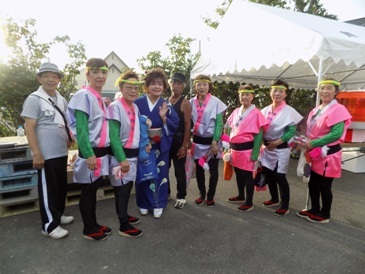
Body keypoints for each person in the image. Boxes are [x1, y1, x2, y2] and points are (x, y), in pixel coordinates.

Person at [67, 58, 125, 240]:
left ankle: (94, 223)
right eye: (95, 72)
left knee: (93, 188)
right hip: (91, 152)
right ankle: (88, 228)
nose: (100, 76)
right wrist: (89, 154)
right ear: (88, 74)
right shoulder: (83, 96)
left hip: (100, 152)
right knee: (88, 190)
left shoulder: (96, 96)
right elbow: (82, 129)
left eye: (103, 72)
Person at [21, 62, 74, 239]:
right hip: (45, 153)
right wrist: (36, 153)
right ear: (39, 78)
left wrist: (69, 137)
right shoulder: (34, 99)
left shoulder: (61, 99)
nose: (51, 79)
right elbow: (29, 128)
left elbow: (66, 121)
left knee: (60, 187)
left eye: (54, 76)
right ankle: (49, 226)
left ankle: (57, 215)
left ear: (58, 79)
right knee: (48, 188)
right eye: (46, 76)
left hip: (61, 151)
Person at [297, 78, 351, 223]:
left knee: (325, 185)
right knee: (313, 182)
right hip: (315, 152)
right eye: (322, 88)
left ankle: (325, 213)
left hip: (328, 153)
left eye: (328, 88)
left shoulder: (339, 109)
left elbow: (336, 133)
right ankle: (314, 209)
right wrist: (304, 139)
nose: (324, 91)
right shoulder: (316, 109)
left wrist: (313, 142)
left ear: (336, 92)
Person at [134, 68, 179, 218]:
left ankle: (158, 203)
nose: (157, 86)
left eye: (160, 83)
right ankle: (143, 203)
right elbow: (131, 123)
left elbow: (175, 123)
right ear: (147, 85)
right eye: (153, 83)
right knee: (143, 173)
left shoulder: (166, 104)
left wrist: (164, 118)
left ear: (164, 86)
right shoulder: (138, 103)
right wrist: (143, 139)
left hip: (160, 145)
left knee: (160, 173)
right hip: (143, 145)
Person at [107, 70, 145, 237]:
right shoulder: (115, 107)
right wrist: (122, 159)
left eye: (136, 88)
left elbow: (136, 130)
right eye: (128, 87)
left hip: (133, 155)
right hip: (120, 156)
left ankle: (125, 215)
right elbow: (113, 136)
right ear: (121, 88)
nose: (133, 91)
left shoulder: (135, 106)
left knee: (126, 189)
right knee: (121, 191)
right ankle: (123, 225)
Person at [260, 79, 303, 216]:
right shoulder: (265, 110)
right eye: (274, 90)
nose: (277, 93)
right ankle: (274, 198)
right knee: (269, 174)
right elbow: (259, 128)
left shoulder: (289, 111)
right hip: (267, 147)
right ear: (270, 92)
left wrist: (276, 143)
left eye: (280, 91)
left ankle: (285, 204)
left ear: (285, 94)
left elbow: (291, 131)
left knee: (280, 176)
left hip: (280, 148)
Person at [224, 85, 267, 212]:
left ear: (252, 96)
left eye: (247, 94)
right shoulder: (236, 111)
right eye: (242, 94)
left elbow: (259, 135)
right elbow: (228, 128)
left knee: (247, 176)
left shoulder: (257, 113)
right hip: (234, 149)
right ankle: (241, 195)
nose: (244, 97)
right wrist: (227, 147)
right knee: (238, 174)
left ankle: (249, 202)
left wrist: (255, 153)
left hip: (247, 150)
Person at [190, 74, 227, 207]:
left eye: (204, 84)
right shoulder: (191, 102)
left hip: (212, 141)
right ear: (195, 87)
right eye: (199, 84)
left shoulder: (216, 102)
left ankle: (210, 196)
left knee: (213, 170)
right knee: (199, 170)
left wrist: (215, 141)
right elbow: (188, 122)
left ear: (209, 86)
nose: (202, 87)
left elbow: (219, 123)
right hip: (198, 141)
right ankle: (202, 194)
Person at [167, 72, 191, 209]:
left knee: (179, 170)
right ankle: (166, 192)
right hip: (166, 140)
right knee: (164, 168)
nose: (175, 86)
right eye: (173, 83)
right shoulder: (166, 100)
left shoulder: (185, 102)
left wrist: (184, 146)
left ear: (183, 87)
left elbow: (188, 125)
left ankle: (181, 196)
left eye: (178, 84)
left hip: (179, 140)